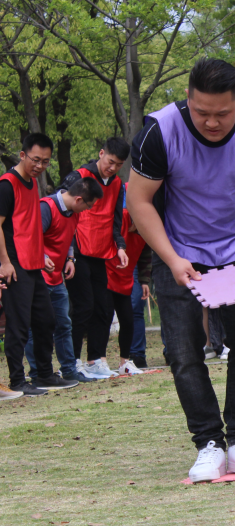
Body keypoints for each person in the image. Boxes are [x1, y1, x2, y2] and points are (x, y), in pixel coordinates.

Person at [127, 58, 235, 482]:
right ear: (188, 98)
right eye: (202, 112)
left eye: (223, 113)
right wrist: (170, 258)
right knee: (182, 353)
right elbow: (139, 201)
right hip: (179, 253)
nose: (212, 122)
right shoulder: (160, 130)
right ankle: (208, 443)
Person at [0, 134, 77, 395]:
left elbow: (27, 226)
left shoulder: (33, 183)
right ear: (22, 155)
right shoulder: (6, 185)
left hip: (33, 265)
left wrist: (41, 255)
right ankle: (17, 381)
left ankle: (44, 375)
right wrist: (4, 263)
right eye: (36, 160)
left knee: (46, 320)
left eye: (45, 162)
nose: (40, 166)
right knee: (18, 326)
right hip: (14, 266)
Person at [61, 137, 130, 380]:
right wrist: (67, 252)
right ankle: (71, 362)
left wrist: (120, 246)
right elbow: (63, 211)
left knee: (103, 307)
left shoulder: (118, 183)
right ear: (101, 153)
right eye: (110, 162)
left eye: (118, 164)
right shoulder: (78, 176)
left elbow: (116, 219)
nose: (112, 168)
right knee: (83, 306)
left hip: (102, 252)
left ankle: (94, 360)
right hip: (78, 250)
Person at [25, 178, 103, 384]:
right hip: (38, 278)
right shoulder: (46, 207)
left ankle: (69, 370)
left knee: (63, 324)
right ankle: (37, 374)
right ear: (78, 199)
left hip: (57, 277)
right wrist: (42, 257)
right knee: (37, 327)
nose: (87, 210)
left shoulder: (73, 213)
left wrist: (70, 258)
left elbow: (69, 236)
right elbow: (31, 238)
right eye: (88, 205)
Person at [105, 208, 151, 375]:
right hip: (108, 272)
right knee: (105, 316)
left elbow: (146, 253)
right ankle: (99, 360)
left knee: (129, 317)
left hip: (126, 276)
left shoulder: (147, 226)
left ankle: (128, 359)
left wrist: (144, 280)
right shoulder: (119, 218)